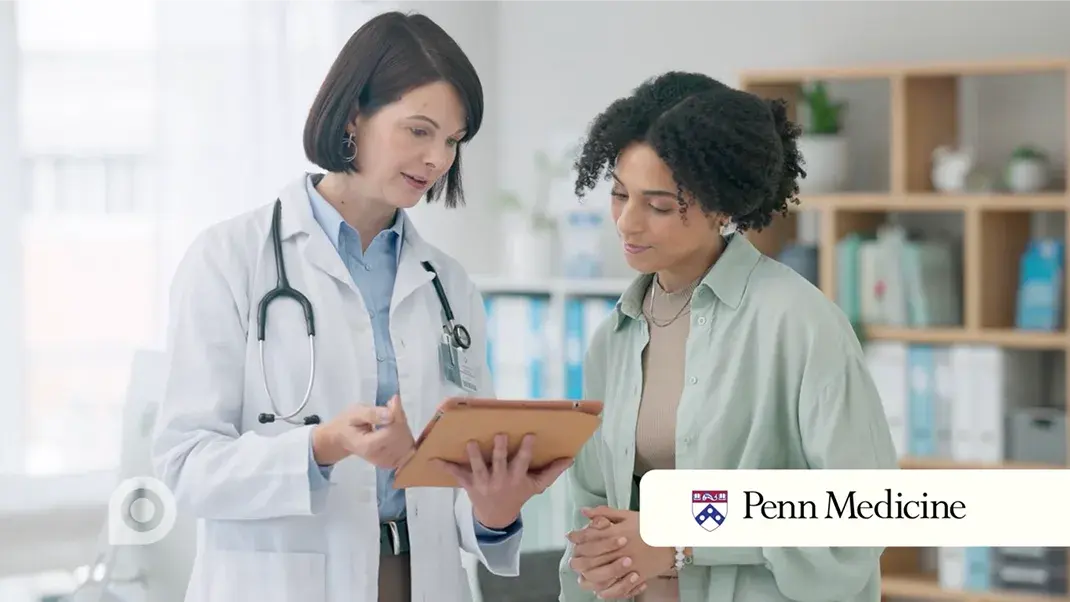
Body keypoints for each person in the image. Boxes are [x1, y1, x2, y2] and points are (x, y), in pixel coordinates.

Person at [152, 12, 571, 602]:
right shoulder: (229, 259)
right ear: (354, 117)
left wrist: (492, 510)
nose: (437, 160)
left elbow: (453, 476)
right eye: (419, 131)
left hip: (418, 581)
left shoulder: (446, 285)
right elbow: (186, 467)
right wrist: (324, 446)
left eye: (452, 141)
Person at [557, 72, 899, 602]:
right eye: (620, 195)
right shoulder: (615, 336)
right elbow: (591, 510)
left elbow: (862, 509)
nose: (627, 223)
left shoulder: (801, 324)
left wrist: (683, 542)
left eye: (659, 205)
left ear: (722, 207)